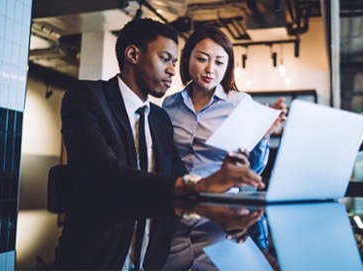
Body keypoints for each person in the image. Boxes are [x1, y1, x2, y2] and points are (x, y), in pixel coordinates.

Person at [54, 18, 264, 271]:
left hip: (152, 259)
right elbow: (102, 172)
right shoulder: (86, 96)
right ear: (133, 54)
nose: (173, 71)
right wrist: (200, 185)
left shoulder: (159, 118)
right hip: (95, 255)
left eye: (174, 62)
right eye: (165, 59)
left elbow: (177, 176)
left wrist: (220, 203)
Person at [161, 26, 286, 270]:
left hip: (223, 214)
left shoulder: (240, 104)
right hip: (178, 207)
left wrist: (263, 136)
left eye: (219, 62)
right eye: (202, 59)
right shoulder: (169, 104)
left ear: (227, 67)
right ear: (187, 60)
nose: (210, 69)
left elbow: (255, 170)